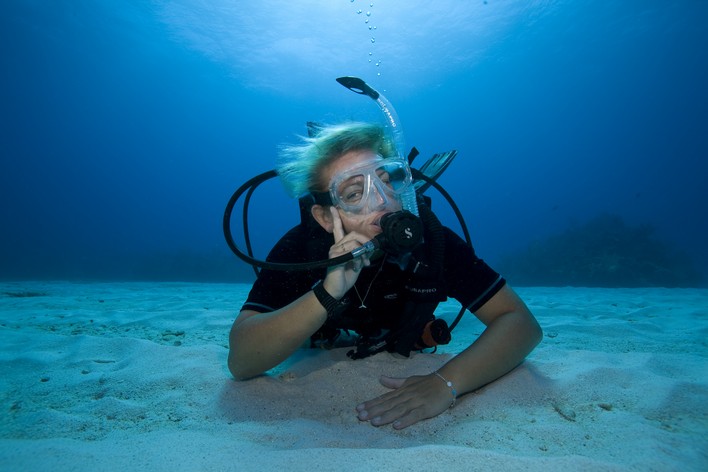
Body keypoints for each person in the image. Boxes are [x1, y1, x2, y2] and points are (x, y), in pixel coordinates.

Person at [227, 122, 542, 429]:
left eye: (385, 180)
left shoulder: (432, 241)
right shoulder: (302, 249)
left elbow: (521, 324)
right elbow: (241, 361)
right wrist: (328, 291)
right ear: (325, 216)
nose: (381, 199)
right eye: (353, 193)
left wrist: (446, 382)